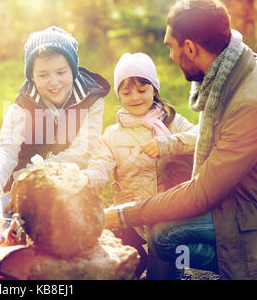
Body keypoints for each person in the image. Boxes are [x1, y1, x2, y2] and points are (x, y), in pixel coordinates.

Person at [103, 0, 257, 280]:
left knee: (163, 230)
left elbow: (201, 193)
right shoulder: (231, 78)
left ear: (189, 47)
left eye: (171, 47)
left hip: (248, 211)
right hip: (240, 197)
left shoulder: (247, 102)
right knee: (164, 226)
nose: (171, 56)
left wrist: (122, 215)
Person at [81, 52, 198, 279]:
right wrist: (85, 180)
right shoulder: (113, 135)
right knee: (125, 266)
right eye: (126, 92)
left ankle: (166, 265)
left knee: (162, 273)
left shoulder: (171, 123)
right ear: (119, 95)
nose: (135, 97)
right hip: (130, 218)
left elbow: (201, 135)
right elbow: (100, 166)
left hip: (166, 215)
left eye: (142, 90)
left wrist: (167, 144)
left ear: (154, 89)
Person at [0, 26, 110, 225]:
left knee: (73, 227)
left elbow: (83, 152)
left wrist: (33, 174)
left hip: (67, 182)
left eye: (61, 72)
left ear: (72, 69)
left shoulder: (91, 100)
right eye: (43, 75)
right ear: (31, 76)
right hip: (19, 189)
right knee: (0, 226)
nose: (54, 82)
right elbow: (6, 149)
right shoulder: (23, 105)